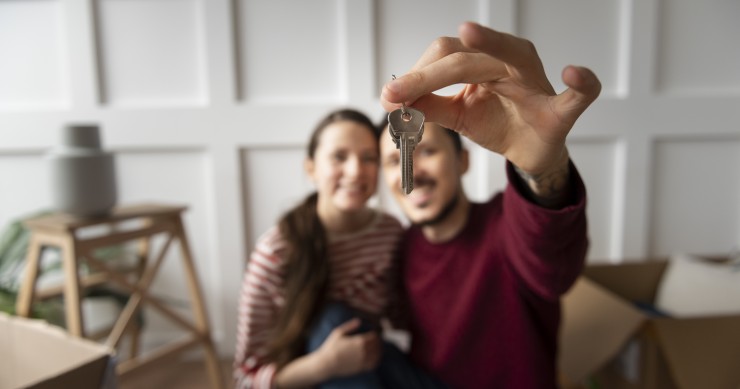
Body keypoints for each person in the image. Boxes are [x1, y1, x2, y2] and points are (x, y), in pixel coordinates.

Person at [377, 22, 601, 388]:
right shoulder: (399, 248)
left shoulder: (506, 222)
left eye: (428, 150)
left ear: (462, 161)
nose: (411, 169)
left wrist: (542, 170)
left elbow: (553, 263)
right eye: (395, 160)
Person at [233, 108, 445, 389]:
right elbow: (243, 380)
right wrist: (324, 365)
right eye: (339, 157)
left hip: (371, 358)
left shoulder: (390, 232)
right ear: (311, 169)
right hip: (305, 376)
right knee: (334, 319)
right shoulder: (277, 251)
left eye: (368, 158)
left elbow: (402, 315)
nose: (356, 170)